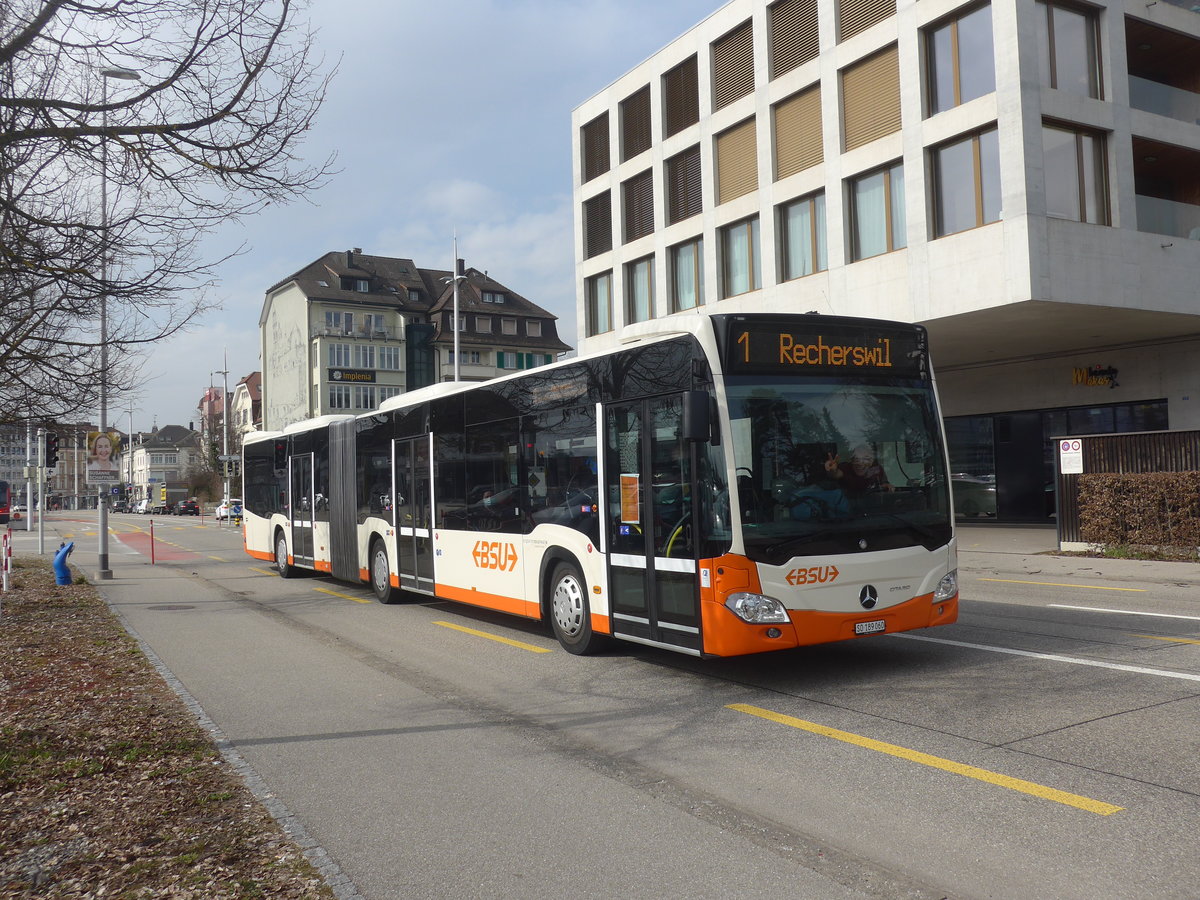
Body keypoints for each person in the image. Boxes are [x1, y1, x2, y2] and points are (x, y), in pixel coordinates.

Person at [824, 445, 892, 496]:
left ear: (871, 461)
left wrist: (888, 486)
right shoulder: (846, 467)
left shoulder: (877, 470)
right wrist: (833, 470)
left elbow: (885, 484)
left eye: (866, 459)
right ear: (851, 460)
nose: (860, 463)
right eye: (856, 459)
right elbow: (836, 474)